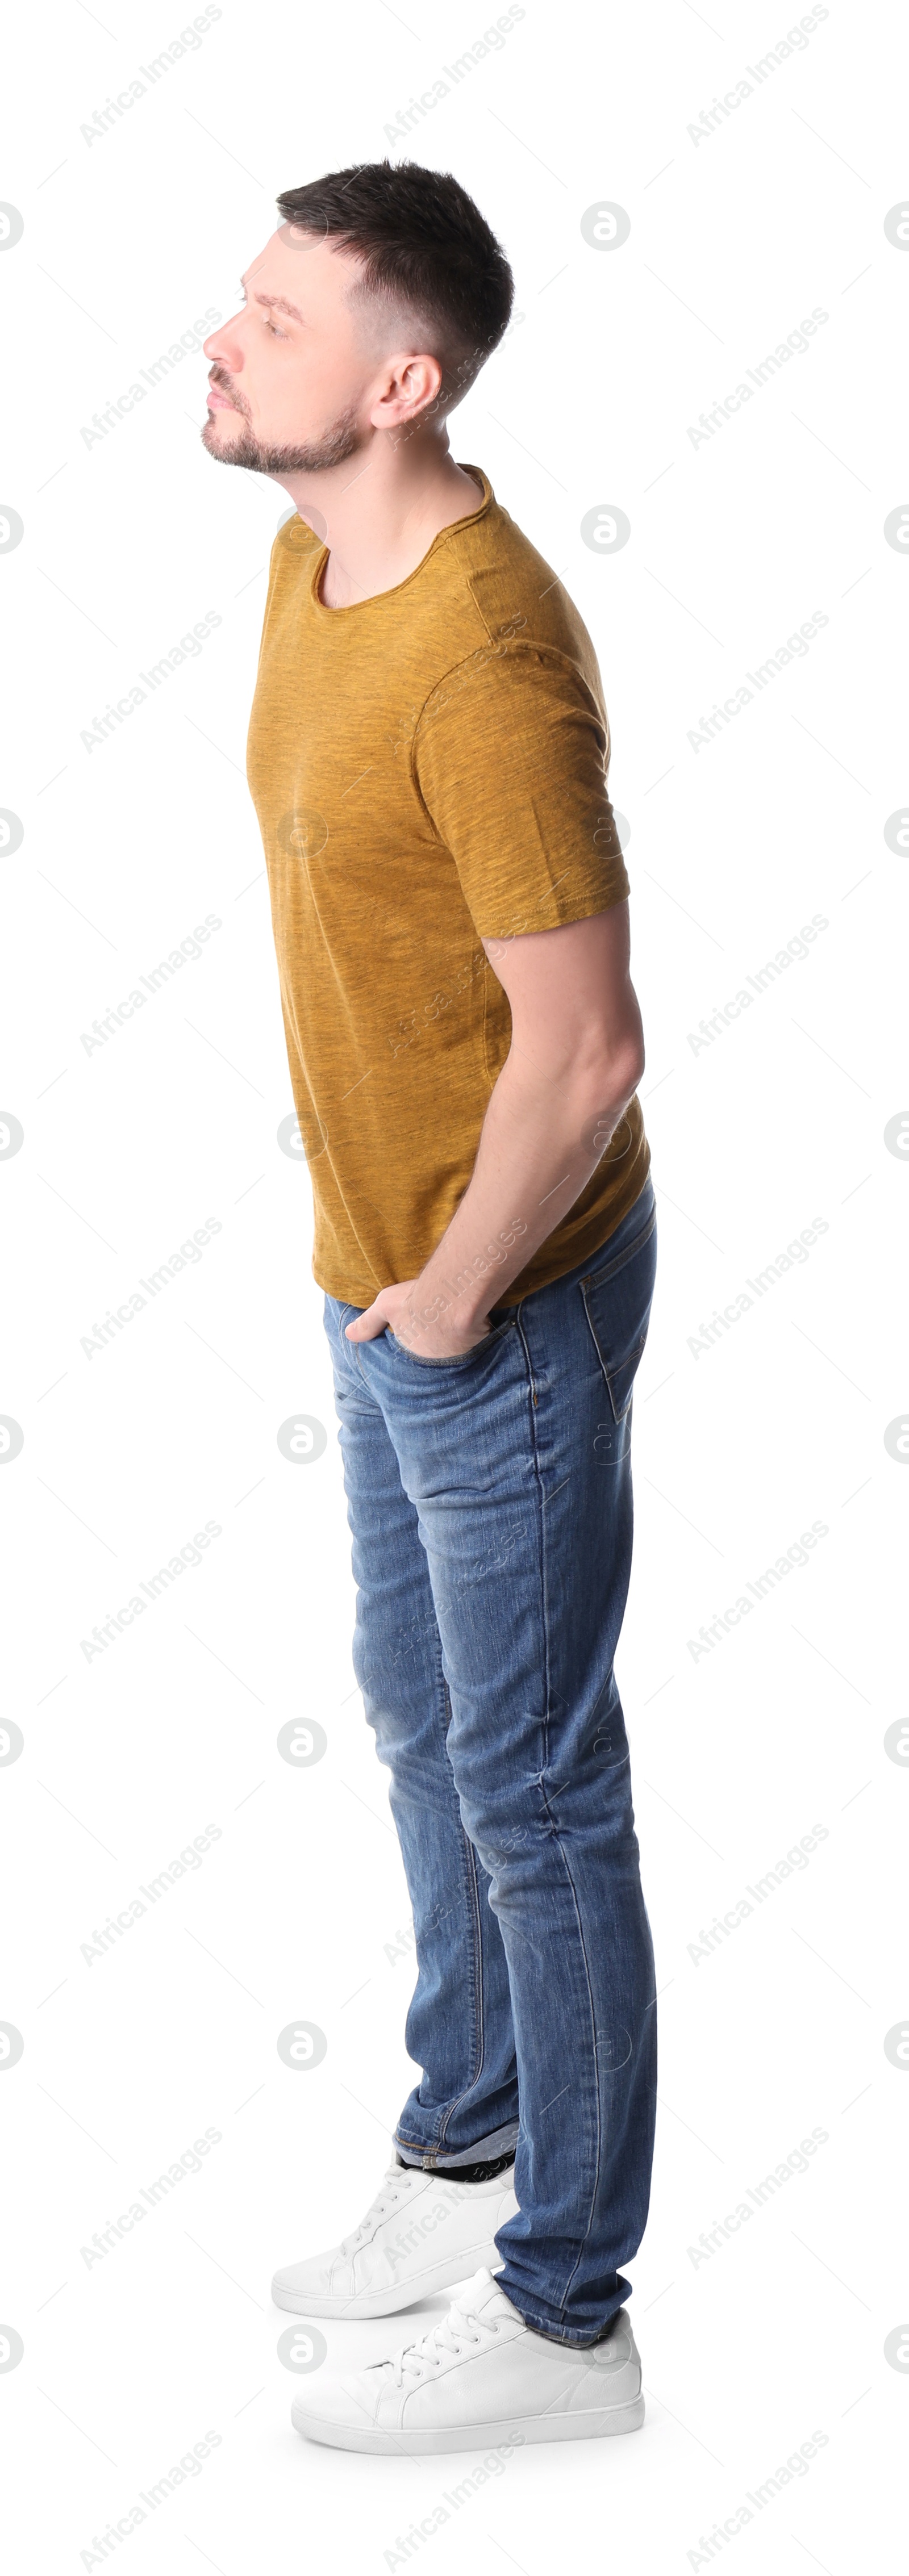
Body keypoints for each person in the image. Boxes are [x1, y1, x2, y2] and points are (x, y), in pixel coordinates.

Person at [202, 158, 658, 2456]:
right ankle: (459, 2149)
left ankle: (567, 2316)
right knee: (424, 1727)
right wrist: (391, 1290)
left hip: (498, 1296)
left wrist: (463, 1299)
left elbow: (585, 1049)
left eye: (275, 320)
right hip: (381, 1285)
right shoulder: (312, 568)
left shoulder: (479, 656)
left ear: (401, 380)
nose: (221, 339)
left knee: (537, 1784)